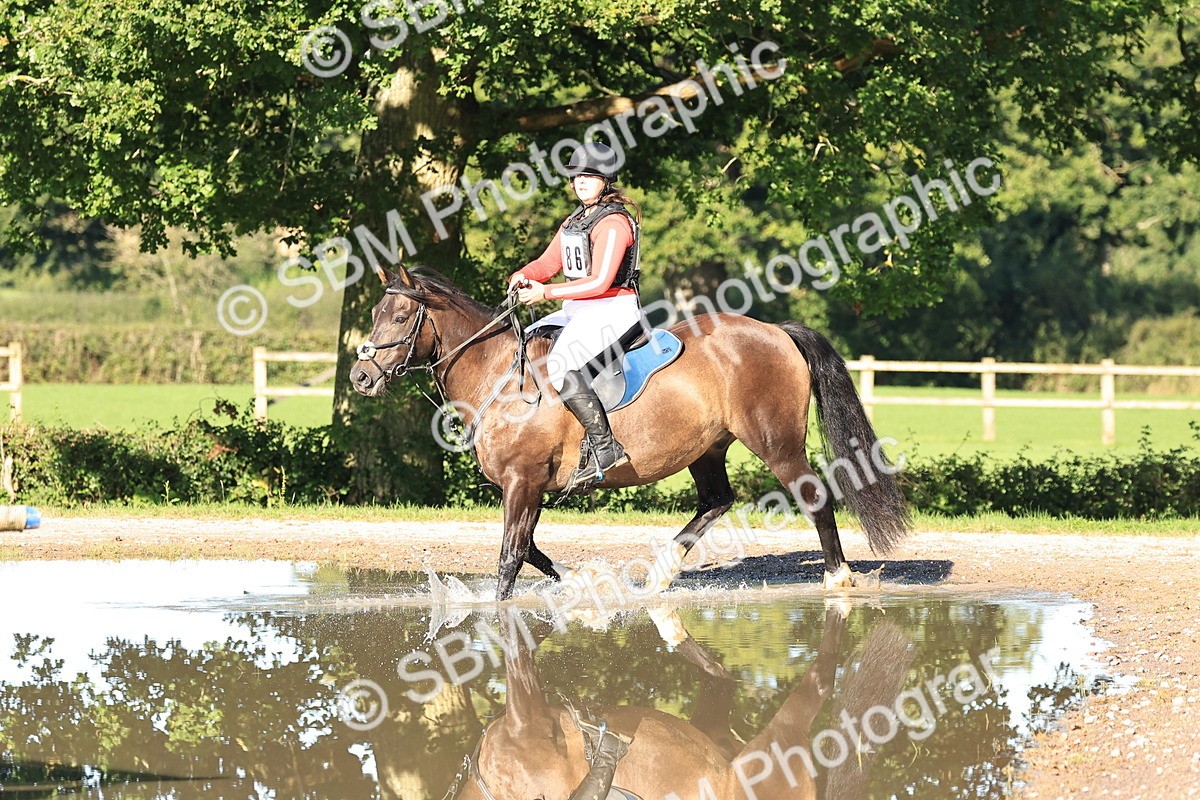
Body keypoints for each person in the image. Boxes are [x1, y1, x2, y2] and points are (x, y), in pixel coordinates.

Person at [507, 141, 643, 484]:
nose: (580, 181)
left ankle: (606, 446)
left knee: (560, 364)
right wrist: (524, 274)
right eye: (577, 175)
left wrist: (545, 292)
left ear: (605, 180)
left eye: (590, 175)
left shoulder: (613, 223)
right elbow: (548, 264)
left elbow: (599, 282)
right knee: (525, 343)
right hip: (579, 309)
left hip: (613, 309)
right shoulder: (575, 220)